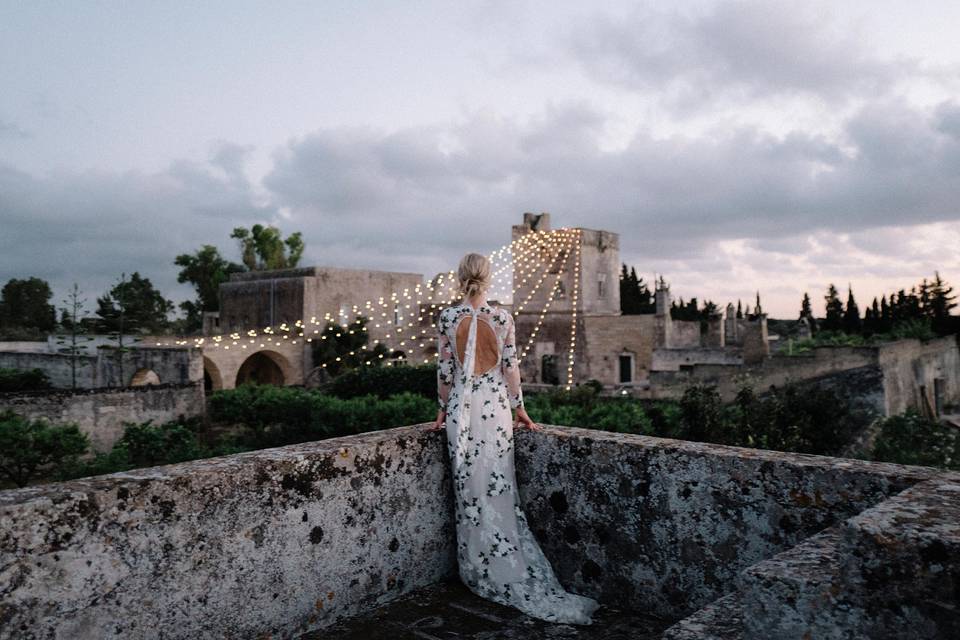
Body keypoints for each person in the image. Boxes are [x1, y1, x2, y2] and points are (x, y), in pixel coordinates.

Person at [424, 252, 601, 625]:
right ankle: (504, 564)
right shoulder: (503, 317)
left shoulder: (447, 317)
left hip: (461, 410)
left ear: (460, 277)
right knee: (499, 486)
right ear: (488, 279)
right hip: (495, 409)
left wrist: (442, 410)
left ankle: (477, 567)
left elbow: (445, 371)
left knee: (468, 490)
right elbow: (511, 369)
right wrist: (519, 408)